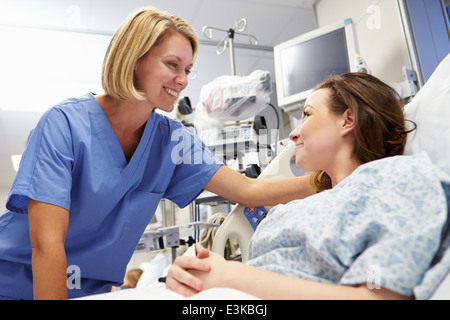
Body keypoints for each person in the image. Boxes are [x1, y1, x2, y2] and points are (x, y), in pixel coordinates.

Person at [0, 7, 310, 300]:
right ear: (134, 58)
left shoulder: (172, 140)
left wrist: (330, 179)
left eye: (188, 69)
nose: (184, 80)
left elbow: (250, 190)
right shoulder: (63, 125)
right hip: (14, 282)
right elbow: (47, 244)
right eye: (173, 65)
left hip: (88, 291)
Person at [166, 73, 450, 300]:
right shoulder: (295, 209)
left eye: (307, 114)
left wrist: (228, 277)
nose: (293, 132)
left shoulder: (398, 180)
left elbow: (377, 293)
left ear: (347, 120)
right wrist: (195, 272)